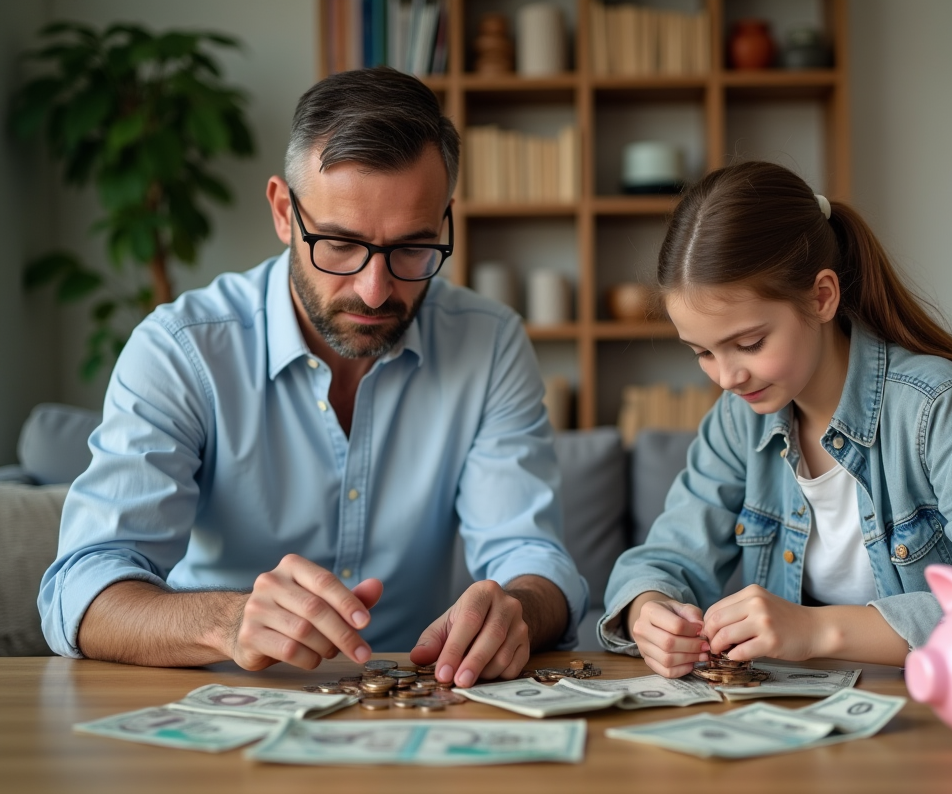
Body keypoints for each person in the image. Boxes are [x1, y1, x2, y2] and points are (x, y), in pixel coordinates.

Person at [38, 67, 587, 687]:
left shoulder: (490, 344)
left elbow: (533, 558)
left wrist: (516, 609)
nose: (375, 290)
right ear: (282, 211)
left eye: (413, 246)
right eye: (340, 244)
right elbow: (80, 591)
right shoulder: (181, 350)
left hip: (419, 702)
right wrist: (230, 620)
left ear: (443, 221)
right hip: (221, 700)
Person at [598, 161, 952, 676]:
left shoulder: (935, 404)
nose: (726, 377)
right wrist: (649, 610)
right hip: (805, 712)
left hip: (942, 703)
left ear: (821, 297)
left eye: (749, 343)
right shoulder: (738, 420)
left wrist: (816, 630)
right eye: (701, 353)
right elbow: (665, 559)